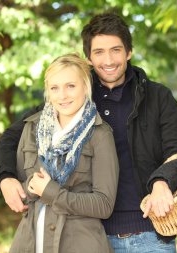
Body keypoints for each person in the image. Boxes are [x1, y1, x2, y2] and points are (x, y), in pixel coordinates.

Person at [0, 13, 177, 253]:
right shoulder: (74, 96)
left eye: (116, 50)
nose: (108, 60)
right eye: (99, 52)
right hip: (89, 235)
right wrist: (4, 178)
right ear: (89, 57)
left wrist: (163, 181)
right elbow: (13, 136)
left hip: (148, 233)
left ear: (129, 52)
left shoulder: (157, 97)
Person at [7, 53, 119, 253]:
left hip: (80, 245)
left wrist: (51, 192)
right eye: (54, 88)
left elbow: (104, 205)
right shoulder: (32, 128)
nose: (62, 95)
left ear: (85, 87)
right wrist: (32, 187)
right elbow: (22, 195)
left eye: (71, 86)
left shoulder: (100, 134)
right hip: (29, 244)